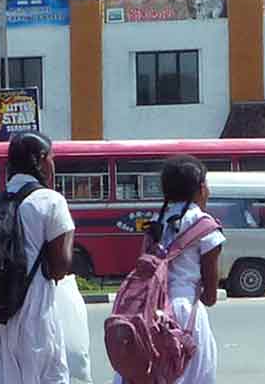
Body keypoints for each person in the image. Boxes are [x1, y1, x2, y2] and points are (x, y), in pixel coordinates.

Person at [112, 155, 225, 384]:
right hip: (185, 312)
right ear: (201, 189)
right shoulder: (205, 226)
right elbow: (210, 296)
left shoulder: (156, 221)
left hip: (149, 311)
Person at [0, 131, 76, 384]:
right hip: (34, 311)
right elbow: (60, 268)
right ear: (42, 159)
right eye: (52, 158)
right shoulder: (51, 201)